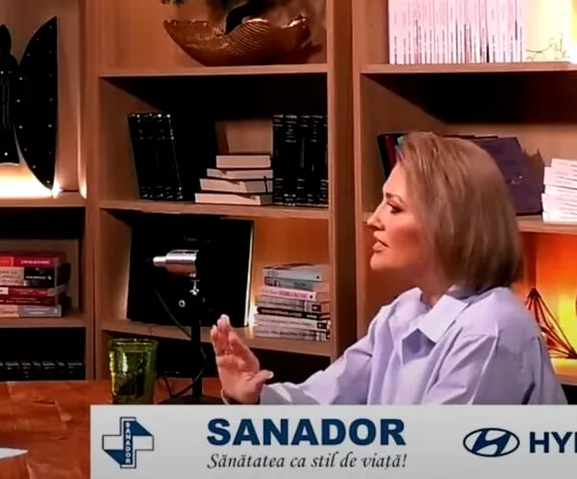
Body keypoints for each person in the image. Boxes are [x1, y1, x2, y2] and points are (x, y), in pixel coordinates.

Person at [212, 132, 567, 405]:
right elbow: (327, 400)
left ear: (447, 225)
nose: (374, 220)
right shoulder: (404, 311)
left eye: (394, 207)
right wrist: (255, 396)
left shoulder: (489, 333)